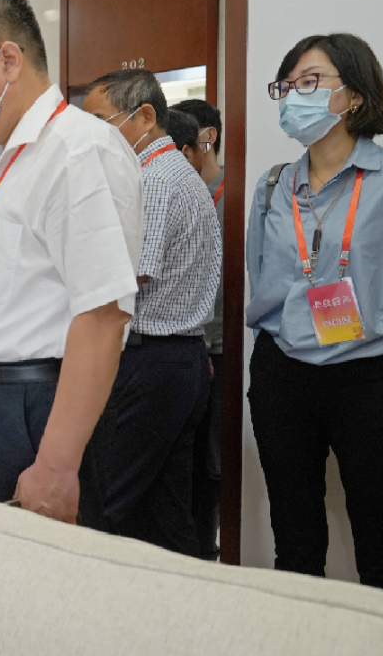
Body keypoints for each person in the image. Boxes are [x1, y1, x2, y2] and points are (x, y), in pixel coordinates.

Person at [0, 0, 143, 523]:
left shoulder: (77, 150)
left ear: (7, 60)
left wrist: (56, 463)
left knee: (41, 570)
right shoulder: (13, 156)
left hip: (34, 407)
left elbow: (102, 315)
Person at [246, 33, 383, 598]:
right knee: (294, 544)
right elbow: (263, 277)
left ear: (356, 95)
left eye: (311, 81)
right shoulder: (273, 185)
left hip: (375, 377)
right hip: (284, 373)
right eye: (288, 85)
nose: (296, 94)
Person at [80, 70, 221, 555]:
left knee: (106, 504)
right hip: (174, 360)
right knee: (164, 512)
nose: (91, 136)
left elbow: (128, 275)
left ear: (144, 116)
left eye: (100, 122)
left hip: (149, 361)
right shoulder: (170, 172)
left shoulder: (154, 179)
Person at [173, 98, 226, 560]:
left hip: (221, 348)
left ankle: (207, 551)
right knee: (182, 460)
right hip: (185, 345)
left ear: (206, 138)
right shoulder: (176, 193)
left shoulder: (234, 192)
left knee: (212, 464)